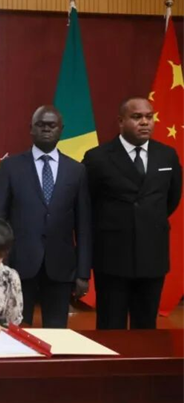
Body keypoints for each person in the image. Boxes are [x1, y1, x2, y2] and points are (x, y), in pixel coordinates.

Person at [83, 97, 182, 330]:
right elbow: (88, 204)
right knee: (110, 327)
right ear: (121, 121)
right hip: (112, 257)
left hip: (152, 254)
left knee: (146, 328)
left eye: (149, 117)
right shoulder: (97, 157)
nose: (145, 122)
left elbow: (171, 199)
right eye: (137, 117)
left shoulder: (167, 155)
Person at [0, 106, 91, 328]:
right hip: (19, 265)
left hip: (61, 266)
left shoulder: (76, 170)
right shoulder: (11, 167)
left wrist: (83, 272)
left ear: (61, 130)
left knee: (57, 333)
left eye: (52, 125)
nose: (46, 129)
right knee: (17, 329)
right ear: (31, 129)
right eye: (41, 125)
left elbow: (84, 225)